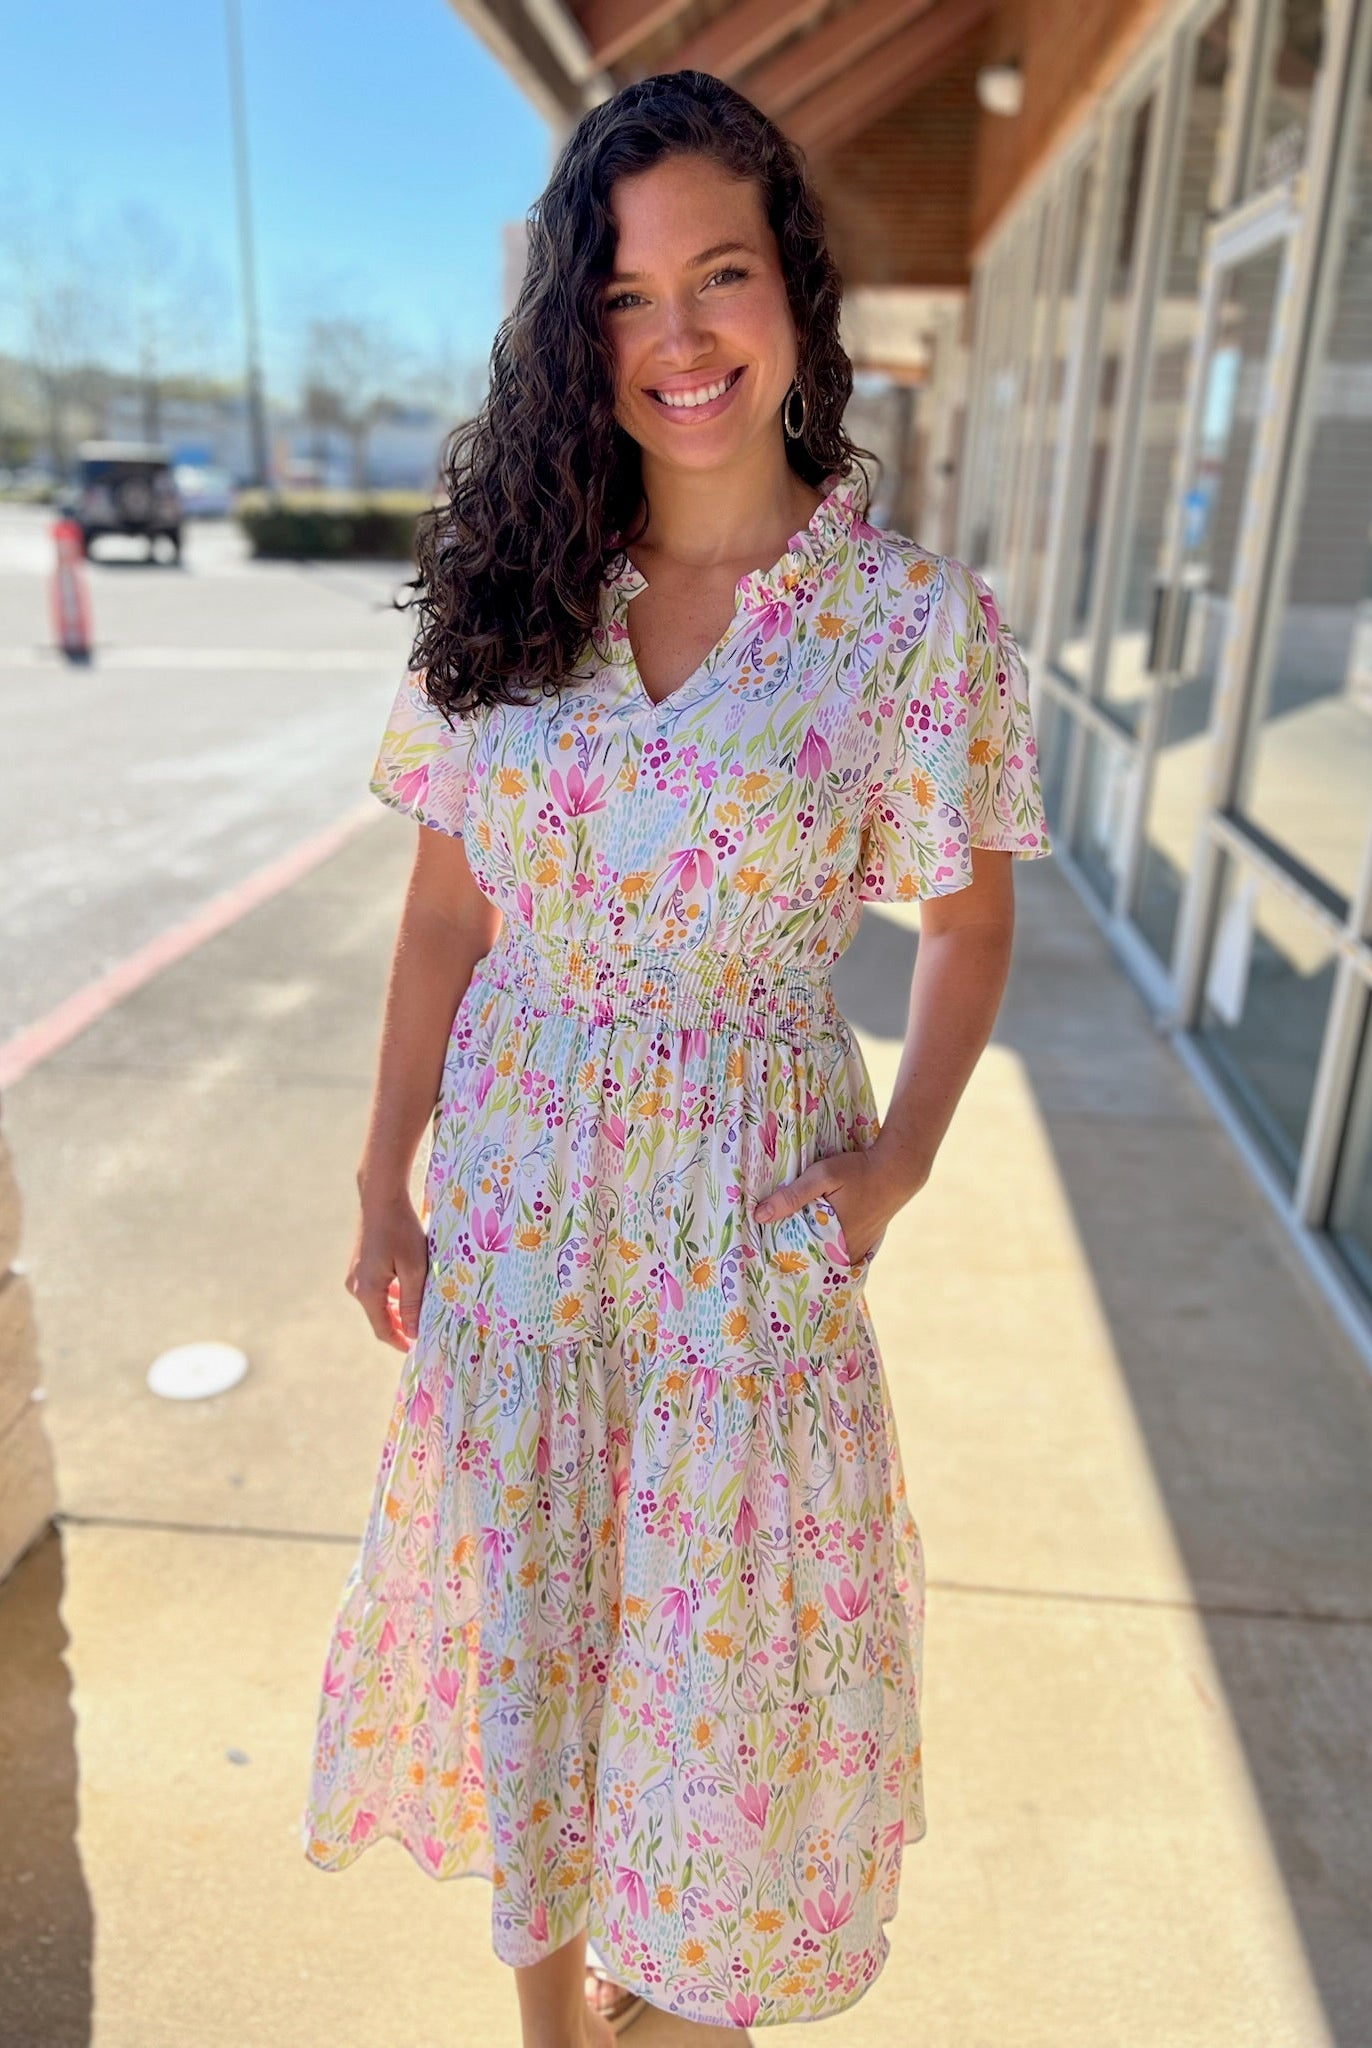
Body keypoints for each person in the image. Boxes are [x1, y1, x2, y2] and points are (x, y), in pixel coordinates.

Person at [302, 67, 1050, 2048]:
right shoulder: (512, 593)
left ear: (791, 297)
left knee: (724, 1712)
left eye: (717, 276)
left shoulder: (903, 627)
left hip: (740, 1249)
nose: (678, 338)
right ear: (576, 330)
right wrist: (385, 1176)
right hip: (527, 1239)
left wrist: (888, 1173)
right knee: (539, 1659)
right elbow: (447, 922)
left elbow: (968, 921)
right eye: (623, 297)